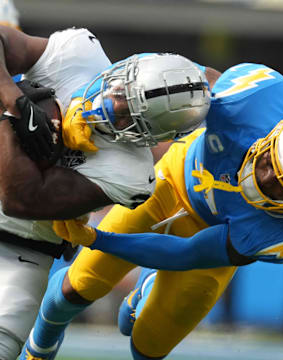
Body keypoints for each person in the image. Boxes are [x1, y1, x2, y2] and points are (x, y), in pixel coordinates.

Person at [21, 61, 283, 360]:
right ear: (278, 134)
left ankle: (146, 291)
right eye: (270, 160)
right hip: (171, 183)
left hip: (208, 242)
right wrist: (90, 107)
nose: (264, 175)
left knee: (147, 347)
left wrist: (97, 237)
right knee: (78, 286)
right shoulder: (251, 98)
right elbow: (161, 77)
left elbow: (187, 253)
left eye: (278, 185)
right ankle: (39, 350)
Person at [0, 24, 212, 360]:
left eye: (131, 118)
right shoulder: (77, 53)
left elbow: (20, 199)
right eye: (120, 92)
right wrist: (14, 97)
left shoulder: (131, 175)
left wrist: (10, 118)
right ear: (124, 70)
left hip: (20, 252)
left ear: (153, 138)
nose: (114, 108)